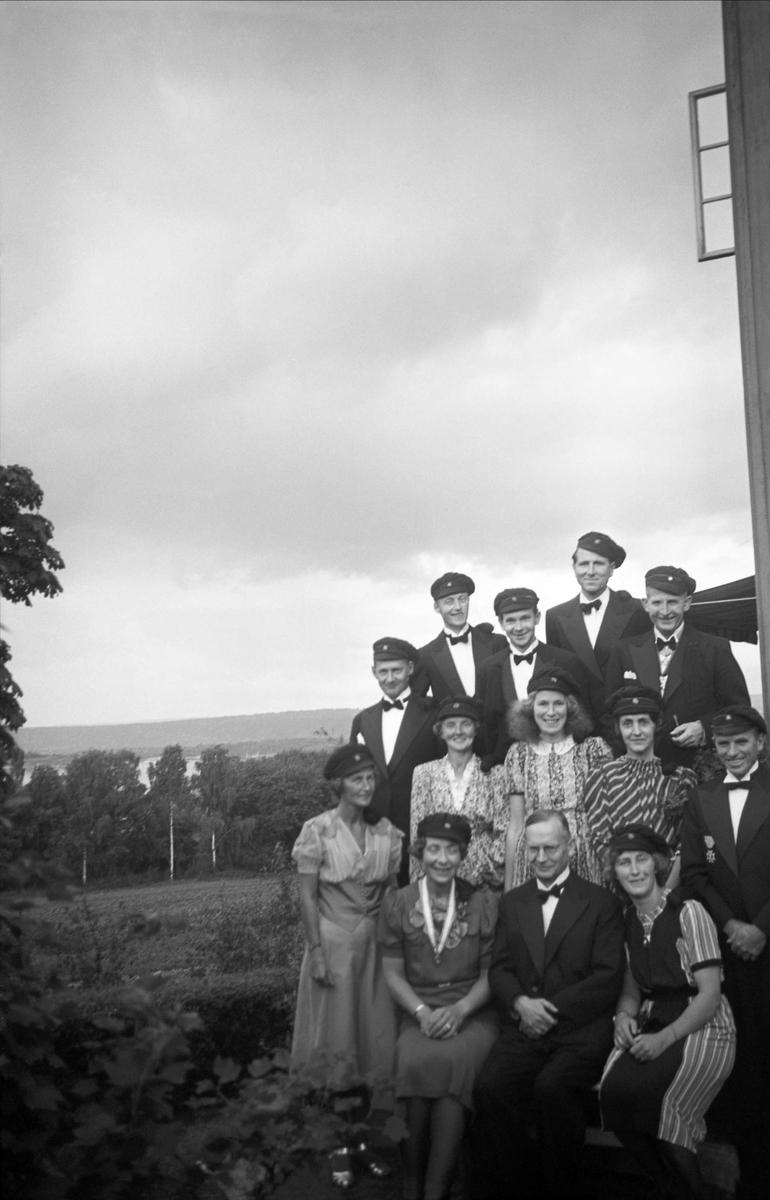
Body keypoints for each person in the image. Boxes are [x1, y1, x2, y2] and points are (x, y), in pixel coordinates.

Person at [472, 810, 624, 1200]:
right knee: (491, 1089)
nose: (541, 857)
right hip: (524, 1028)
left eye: (550, 847)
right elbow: (501, 969)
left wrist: (546, 1011)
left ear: (569, 847)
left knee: (552, 1089)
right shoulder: (513, 901)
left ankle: (560, 1187)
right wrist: (521, 1003)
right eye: (534, 848)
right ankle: (515, 1186)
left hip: (580, 1031)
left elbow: (607, 978)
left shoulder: (602, 902)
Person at [599, 824, 736, 1200]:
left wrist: (664, 1040)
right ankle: (667, 1187)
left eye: (641, 859)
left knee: (665, 1103)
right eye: (624, 863)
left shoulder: (688, 911)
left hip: (702, 1023)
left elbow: (710, 995)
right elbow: (630, 988)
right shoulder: (628, 918)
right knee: (613, 1094)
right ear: (615, 870)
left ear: (657, 864)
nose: (634, 870)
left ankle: (694, 1193)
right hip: (654, 1015)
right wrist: (624, 1018)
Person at [290, 743, 403, 1189]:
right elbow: (306, 895)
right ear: (338, 784)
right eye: (356, 779)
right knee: (339, 1051)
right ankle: (338, 1145)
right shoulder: (317, 830)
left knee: (371, 1047)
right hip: (334, 950)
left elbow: (392, 892)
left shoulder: (386, 833)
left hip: (375, 952)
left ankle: (361, 1143)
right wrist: (316, 950)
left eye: (370, 778)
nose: (365, 785)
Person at [379, 812, 499, 1200]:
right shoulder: (399, 902)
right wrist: (421, 1013)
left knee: (452, 1060)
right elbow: (393, 974)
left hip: (473, 1012)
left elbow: (490, 976)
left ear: (462, 854)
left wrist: (460, 1011)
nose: (443, 859)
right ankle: (411, 1181)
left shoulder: (481, 902)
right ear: (420, 853)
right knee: (412, 1059)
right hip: (419, 1010)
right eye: (434, 850)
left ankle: (436, 1186)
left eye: (452, 851)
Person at [680, 706, 770, 1200]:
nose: (732, 752)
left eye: (741, 742)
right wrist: (731, 925)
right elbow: (694, 872)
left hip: (768, 944)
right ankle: (740, 1167)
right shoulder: (702, 796)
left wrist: (760, 928)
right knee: (739, 1061)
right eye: (723, 744)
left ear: (760, 742)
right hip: (726, 947)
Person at [605, 565, 750, 770]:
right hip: (638, 772)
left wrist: (705, 729)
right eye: (657, 603)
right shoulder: (623, 650)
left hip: (699, 770)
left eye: (672, 602)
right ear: (646, 604)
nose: (665, 611)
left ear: (687, 603)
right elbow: (609, 714)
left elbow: (740, 710)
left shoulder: (715, 648)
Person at [504, 665, 612, 890]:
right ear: (530, 708)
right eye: (543, 704)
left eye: (558, 703)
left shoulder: (593, 749)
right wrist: (509, 887)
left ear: (570, 708)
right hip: (536, 857)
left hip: (584, 858)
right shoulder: (519, 753)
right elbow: (515, 826)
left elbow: (607, 818)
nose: (551, 712)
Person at [585, 684, 697, 887]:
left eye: (644, 722)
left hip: (671, 887)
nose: (636, 731)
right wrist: (631, 883)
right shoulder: (602, 776)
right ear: (618, 728)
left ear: (656, 725)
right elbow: (601, 841)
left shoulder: (680, 779)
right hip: (621, 887)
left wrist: (665, 893)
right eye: (628, 723)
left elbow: (687, 844)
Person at [351, 637, 441, 884]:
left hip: (421, 831)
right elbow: (351, 782)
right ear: (374, 672)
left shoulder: (434, 712)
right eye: (383, 672)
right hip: (374, 834)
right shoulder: (363, 721)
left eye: (396, 670)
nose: (390, 678)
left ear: (410, 669)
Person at [477, 586, 593, 767]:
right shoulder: (487, 668)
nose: (519, 627)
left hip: (561, 762)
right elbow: (487, 725)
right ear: (501, 623)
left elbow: (581, 714)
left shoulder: (567, 661)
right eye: (511, 621)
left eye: (525, 618)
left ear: (537, 618)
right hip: (507, 764)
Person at [545, 531, 651, 722]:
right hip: (577, 724)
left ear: (611, 569)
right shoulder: (555, 617)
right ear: (574, 567)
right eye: (584, 564)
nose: (591, 571)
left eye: (599, 564)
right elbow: (558, 677)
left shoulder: (637, 610)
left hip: (624, 722)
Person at [409, 696, 508, 891]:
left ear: (476, 728)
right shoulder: (423, 773)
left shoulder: (496, 774)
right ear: (441, 731)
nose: (458, 731)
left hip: (484, 884)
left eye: (466, 724)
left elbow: (504, 833)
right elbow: (416, 834)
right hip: (436, 877)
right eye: (451, 725)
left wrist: (477, 876)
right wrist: (419, 886)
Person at [413, 572, 507, 703]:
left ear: (468, 600)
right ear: (437, 607)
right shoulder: (425, 655)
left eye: (462, 599)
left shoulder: (497, 643)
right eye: (449, 602)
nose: (457, 607)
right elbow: (417, 705)